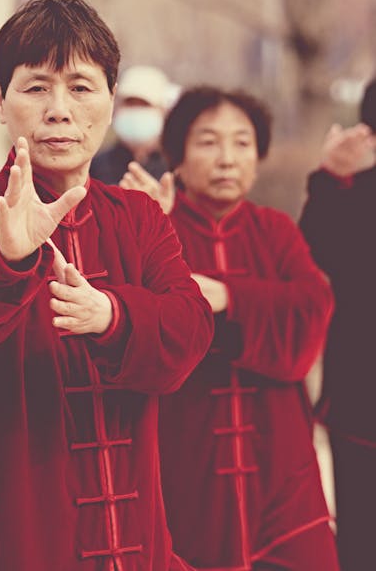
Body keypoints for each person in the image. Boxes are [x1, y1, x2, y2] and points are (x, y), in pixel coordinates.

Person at [0, 0, 213, 571]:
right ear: (1, 100)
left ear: (109, 99)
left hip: (130, 540)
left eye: (80, 87)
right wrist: (7, 254)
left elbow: (190, 332)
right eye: (36, 87)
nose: (59, 109)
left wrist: (112, 316)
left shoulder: (139, 218)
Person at [121, 86, 339, 571]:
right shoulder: (158, 230)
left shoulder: (277, 231)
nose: (226, 159)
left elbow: (311, 310)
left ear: (258, 158)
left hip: (282, 476)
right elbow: (134, 326)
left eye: (242, 143)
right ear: (176, 156)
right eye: (207, 142)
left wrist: (228, 298)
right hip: (185, 465)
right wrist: (142, 234)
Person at [299, 78, 376, 571]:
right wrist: (332, 178)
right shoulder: (354, 190)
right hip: (362, 401)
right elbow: (310, 255)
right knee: (362, 539)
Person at [90, 64, 177, 185]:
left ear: (163, 110)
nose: (136, 111)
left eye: (144, 105)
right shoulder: (96, 165)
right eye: (130, 104)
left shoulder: (176, 166)